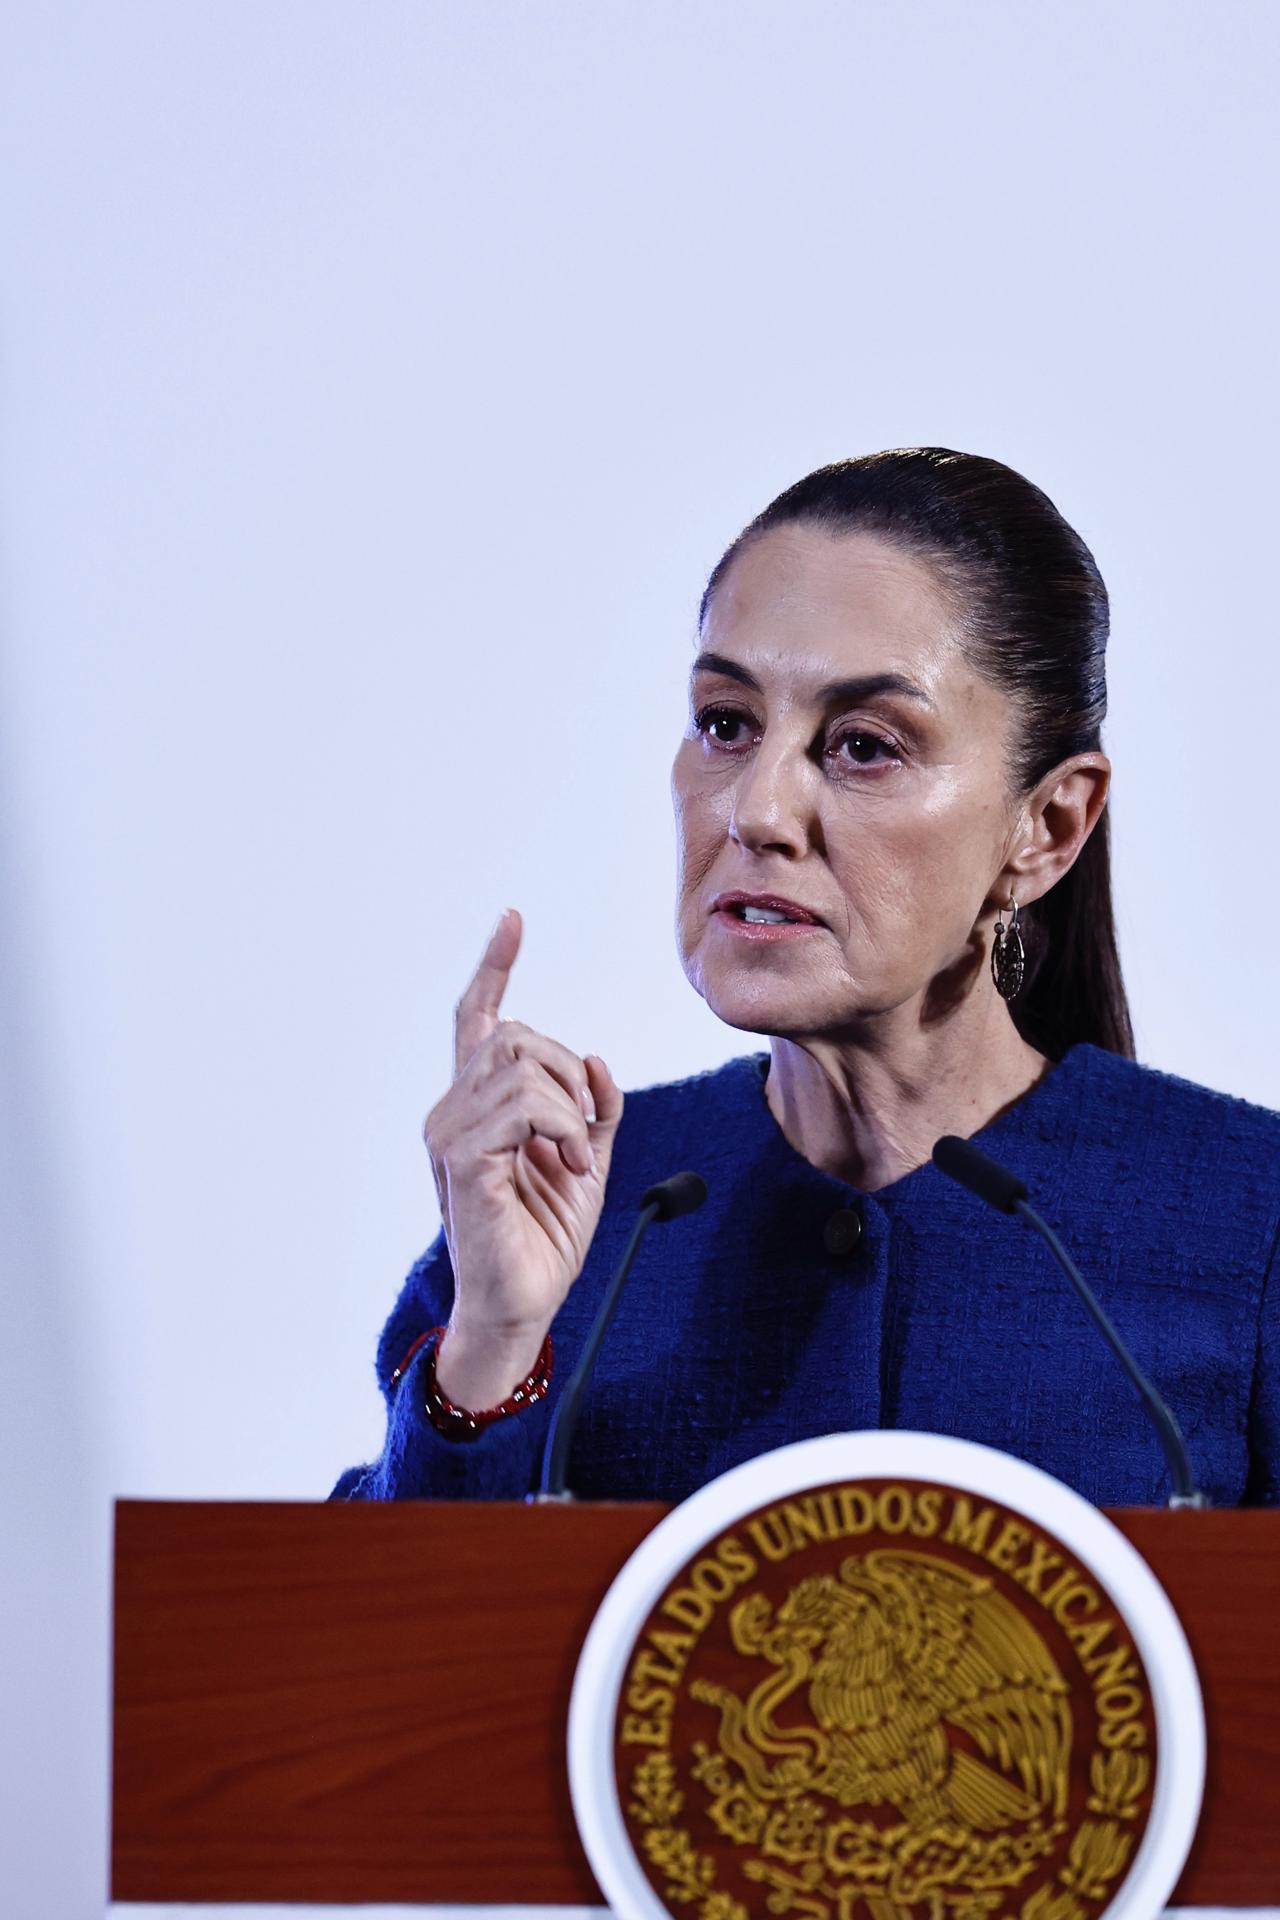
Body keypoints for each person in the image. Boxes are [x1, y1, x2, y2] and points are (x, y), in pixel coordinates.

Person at [330, 448, 1279, 1509]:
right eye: (725, 724)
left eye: (864, 745)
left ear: (1045, 826)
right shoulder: (570, 1200)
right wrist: (493, 1345)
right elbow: (363, 1655)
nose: (755, 812)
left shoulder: (1250, 1218)